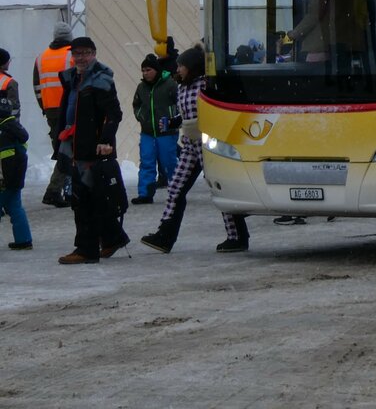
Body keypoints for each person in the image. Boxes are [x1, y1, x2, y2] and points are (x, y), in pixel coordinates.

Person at [141, 45, 249, 254]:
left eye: (182, 66)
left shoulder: (206, 85)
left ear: (193, 67)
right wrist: (175, 122)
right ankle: (165, 235)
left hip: (209, 146)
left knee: (220, 189)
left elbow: (213, 112)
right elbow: (187, 114)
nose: (178, 70)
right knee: (175, 188)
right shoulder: (182, 87)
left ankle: (237, 236)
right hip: (190, 145)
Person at [58, 36, 129, 264]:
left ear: (94, 53)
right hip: (74, 147)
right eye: (77, 53)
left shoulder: (101, 79)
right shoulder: (71, 79)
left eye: (85, 53)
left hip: (93, 150)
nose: (81, 57)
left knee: (84, 201)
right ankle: (112, 238)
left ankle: (86, 249)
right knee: (94, 197)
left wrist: (106, 140)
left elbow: (114, 114)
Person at [32, 21, 73, 207]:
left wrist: (44, 106)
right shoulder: (73, 55)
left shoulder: (41, 58)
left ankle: (66, 189)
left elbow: (37, 87)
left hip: (51, 110)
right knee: (69, 149)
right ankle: (55, 190)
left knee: (62, 148)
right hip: (70, 107)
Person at [130, 54, 178, 204]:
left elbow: (180, 104)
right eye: (143, 70)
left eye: (148, 70)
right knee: (146, 162)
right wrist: (141, 117)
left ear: (156, 70)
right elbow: (136, 104)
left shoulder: (170, 85)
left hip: (166, 132)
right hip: (148, 132)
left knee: (169, 162)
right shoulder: (141, 87)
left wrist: (172, 120)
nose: (145, 73)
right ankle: (145, 193)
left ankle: (177, 191)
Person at [0, 48, 32, 250]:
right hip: (14, 154)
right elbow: (15, 110)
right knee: (14, 203)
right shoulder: (9, 83)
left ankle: (24, 240)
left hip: (5, 163)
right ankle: (23, 239)